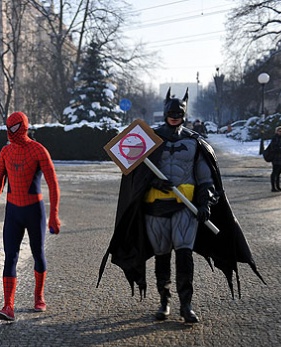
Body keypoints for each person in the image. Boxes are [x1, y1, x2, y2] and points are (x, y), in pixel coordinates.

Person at [97, 88, 265, 324]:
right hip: (155, 208)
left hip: (185, 209)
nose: (175, 115)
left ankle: (186, 304)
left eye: (179, 112)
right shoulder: (149, 141)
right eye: (171, 111)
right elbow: (135, 174)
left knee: (184, 255)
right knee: (162, 256)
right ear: (165, 112)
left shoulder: (194, 142)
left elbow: (205, 178)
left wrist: (206, 200)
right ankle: (164, 301)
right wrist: (153, 180)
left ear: (184, 114)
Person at [0, 111, 61, 322]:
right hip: (13, 212)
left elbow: (53, 184)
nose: (10, 133)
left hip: (34, 210)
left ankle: (39, 296)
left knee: (38, 253)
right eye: (8, 128)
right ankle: (8, 306)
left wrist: (53, 215)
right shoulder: (6, 152)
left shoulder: (38, 150)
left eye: (14, 128)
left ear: (24, 127)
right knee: (10, 256)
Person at [266, 126, 281, 192]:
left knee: (278, 173)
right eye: (279, 131)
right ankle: (273, 187)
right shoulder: (275, 138)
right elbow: (274, 148)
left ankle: (278, 186)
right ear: (276, 132)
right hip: (276, 158)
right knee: (274, 173)